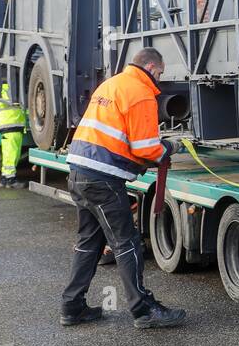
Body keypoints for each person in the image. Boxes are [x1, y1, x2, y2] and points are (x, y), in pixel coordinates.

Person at [59, 47, 187, 329]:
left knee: (88, 243)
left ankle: (72, 307)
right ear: (152, 67)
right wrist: (169, 147)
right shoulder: (141, 93)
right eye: (161, 73)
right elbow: (144, 148)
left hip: (79, 173)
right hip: (102, 179)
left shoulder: (112, 83)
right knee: (126, 242)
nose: (160, 79)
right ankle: (143, 310)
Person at [0, 82, 27, 188]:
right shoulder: (7, 90)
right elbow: (17, 104)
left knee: (8, 154)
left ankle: (5, 178)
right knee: (12, 154)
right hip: (11, 125)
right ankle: (10, 180)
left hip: (7, 126)